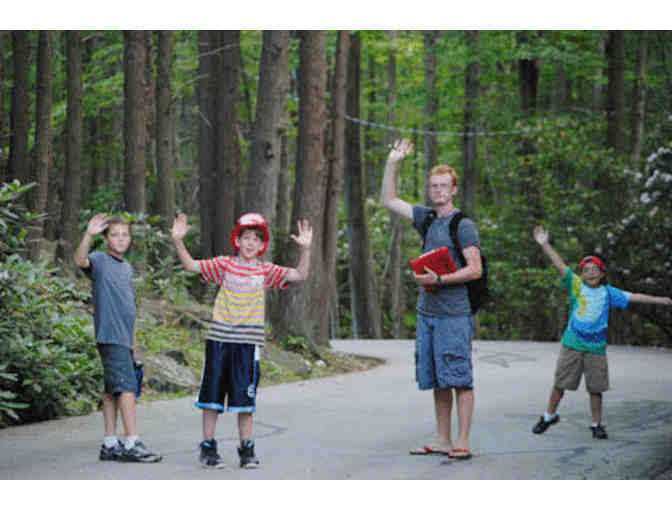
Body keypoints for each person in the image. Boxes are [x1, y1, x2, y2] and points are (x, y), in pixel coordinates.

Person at [171, 212, 312, 469]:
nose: (250, 243)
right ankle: (208, 447)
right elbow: (191, 266)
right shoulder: (224, 265)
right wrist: (178, 240)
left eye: (256, 239)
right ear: (237, 240)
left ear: (262, 245)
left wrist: (305, 249)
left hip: (248, 344)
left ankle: (246, 449)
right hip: (220, 340)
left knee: (244, 401)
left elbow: (299, 275)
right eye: (246, 237)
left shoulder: (265, 270)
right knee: (212, 398)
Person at [382, 138, 483, 460]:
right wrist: (393, 161)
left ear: (453, 190)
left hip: (454, 314)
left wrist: (440, 280)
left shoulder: (462, 225)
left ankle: (462, 441)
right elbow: (388, 200)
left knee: (460, 378)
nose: (438, 191)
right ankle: (442, 439)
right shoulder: (426, 218)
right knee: (439, 378)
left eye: (444, 186)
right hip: (428, 313)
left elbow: (475, 269)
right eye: (433, 186)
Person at [531, 225, 672, 439]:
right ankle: (548, 416)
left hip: (595, 348)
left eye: (594, 270)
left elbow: (634, 296)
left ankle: (596, 424)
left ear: (602, 273)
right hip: (573, 344)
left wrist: (661, 300)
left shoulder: (609, 293)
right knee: (560, 384)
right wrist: (544, 244)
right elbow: (560, 265)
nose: (590, 273)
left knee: (595, 388)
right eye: (586, 270)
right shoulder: (576, 286)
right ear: (581, 275)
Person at [74, 214, 162, 463]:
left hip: (124, 337)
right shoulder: (100, 260)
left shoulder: (126, 267)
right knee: (127, 388)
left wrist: (133, 340)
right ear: (106, 239)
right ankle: (132, 441)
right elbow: (80, 260)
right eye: (114, 235)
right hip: (110, 334)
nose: (121, 239)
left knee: (113, 390)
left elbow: (128, 306)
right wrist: (88, 234)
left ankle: (110, 443)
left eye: (125, 235)